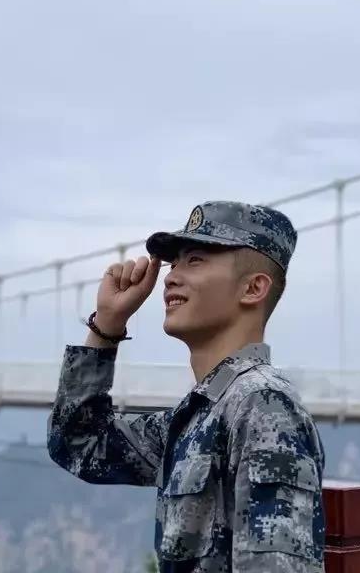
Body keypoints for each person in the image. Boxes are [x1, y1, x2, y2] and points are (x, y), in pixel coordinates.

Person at [47, 200, 326, 573]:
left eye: (195, 260)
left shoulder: (263, 405)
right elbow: (80, 443)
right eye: (174, 263)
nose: (170, 277)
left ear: (254, 288)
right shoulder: (200, 413)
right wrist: (107, 326)